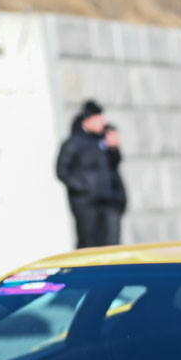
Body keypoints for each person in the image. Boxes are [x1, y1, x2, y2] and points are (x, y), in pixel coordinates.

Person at [56, 99, 127, 248]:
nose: (103, 122)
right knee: (89, 245)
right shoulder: (73, 142)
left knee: (112, 245)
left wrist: (113, 148)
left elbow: (114, 165)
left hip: (108, 202)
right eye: (99, 118)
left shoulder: (103, 140)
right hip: (86, 205)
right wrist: (84, 187)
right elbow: (61, 170)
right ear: (88, 121)